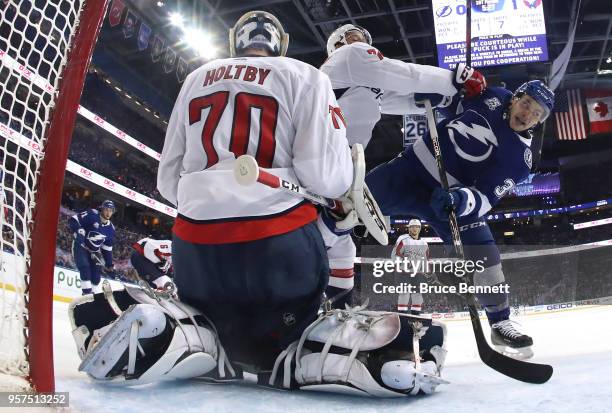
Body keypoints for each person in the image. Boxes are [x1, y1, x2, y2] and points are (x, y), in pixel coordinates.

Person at [69, 11, 448, 397]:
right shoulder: (305, 75)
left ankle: (183, 333)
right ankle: (315, 353)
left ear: (236, 42)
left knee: (221, 336)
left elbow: (168, 183)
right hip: (278, 252)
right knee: (303, 305)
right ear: (281, 43)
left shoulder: (196, 79)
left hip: (196, 254)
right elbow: (325, 178)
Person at [366, 80, 555, 359]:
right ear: (515, 98)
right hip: (408, 171)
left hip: (448, 203)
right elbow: (458, 102)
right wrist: (444, 96)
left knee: (484, 255)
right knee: (351, 202)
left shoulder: (520, 159)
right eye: (526, 104)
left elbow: (486, 198)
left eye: (536, 113)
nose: (527, 114)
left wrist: (461, 200)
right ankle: (328, 285)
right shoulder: (494, 96)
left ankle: (500, 322)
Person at [318, 24, 487, 307]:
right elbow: (402, 74)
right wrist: (454, 80)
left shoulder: (353, 78)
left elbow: (392, 99)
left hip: (336, 160)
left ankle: (336, 307)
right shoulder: (350, 56)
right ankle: (299, 298)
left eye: (364, 36)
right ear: (338, 43)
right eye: (353, 36)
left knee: (341, 243)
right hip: (326, 159)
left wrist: (429, 101)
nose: (362, 40)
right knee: (324, 234)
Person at [69, 200, 116, 294]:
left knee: (96, 278)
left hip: (94, 252)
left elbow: (107, 250)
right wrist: (78, 231)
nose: (108, 212)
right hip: (81, 246)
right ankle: (87, 295)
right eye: (106, 209)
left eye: (110, 210)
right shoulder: (92, 215)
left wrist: (109, 265)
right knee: (84, 267)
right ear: (102, 209)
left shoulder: (111, 229)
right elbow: (73, 220)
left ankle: (92, 298)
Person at [391, 219, 429, 315]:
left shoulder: (424, 243)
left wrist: (427, 271)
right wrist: (404, 262)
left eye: (417, 227)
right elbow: (395, 255)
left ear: (420, 228)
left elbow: (426, 259)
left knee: (418, 296)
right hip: (403, 272)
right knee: (404, 294)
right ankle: (402, 318)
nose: (415, 229)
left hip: (417, 273)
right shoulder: (403, 239)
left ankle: (416, 318)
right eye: (412, 227)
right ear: (409, 228)